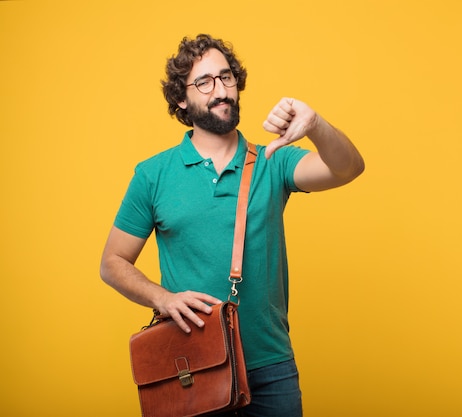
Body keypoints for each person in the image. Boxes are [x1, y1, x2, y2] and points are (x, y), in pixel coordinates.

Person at [100, 33, 364, 417]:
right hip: (190, 366)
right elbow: (113, 262)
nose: (220, 90)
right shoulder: (152, 175)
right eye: (204, 82)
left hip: (271, 370)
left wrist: (316, 123)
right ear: (181, 98)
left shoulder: (274, 161)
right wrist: (163, 299)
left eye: (226, 78)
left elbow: (349, 168)